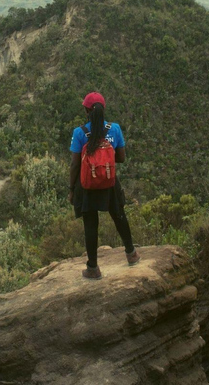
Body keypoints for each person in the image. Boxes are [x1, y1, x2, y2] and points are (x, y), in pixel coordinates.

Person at [68, 91, 140, 279]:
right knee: (119, 215)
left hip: (87, 184)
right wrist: (105, 160)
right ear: (103, 109)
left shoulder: (80, 133)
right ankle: (131, 254)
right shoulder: (114, 129)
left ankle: (93, 268)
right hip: (109, 181)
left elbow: (75, 164)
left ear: (86, 111)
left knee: (91, 224)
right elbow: (122, 158)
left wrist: (71, 189)